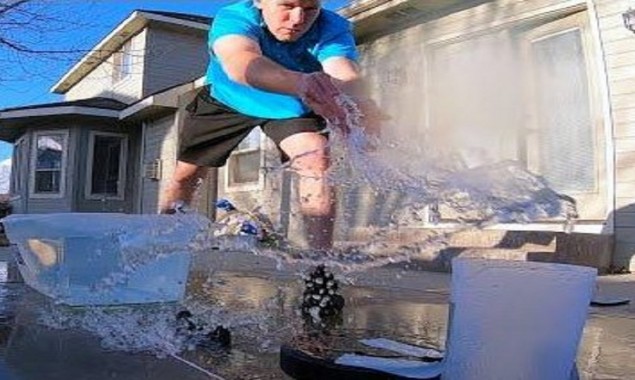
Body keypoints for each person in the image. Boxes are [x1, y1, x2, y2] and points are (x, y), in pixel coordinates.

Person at [160, 0, 368, 251]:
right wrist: (305, 84)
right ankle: (163, 244)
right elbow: (242, 64)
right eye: (286, 5)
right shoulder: (234, 18)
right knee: (186, 175)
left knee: (316, 157)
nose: (297, 19)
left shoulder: (332, 27)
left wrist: (356, 107)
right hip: (228, 100)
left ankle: (320, 271)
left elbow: (344, 73)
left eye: (310, 9)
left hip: (291, 107)